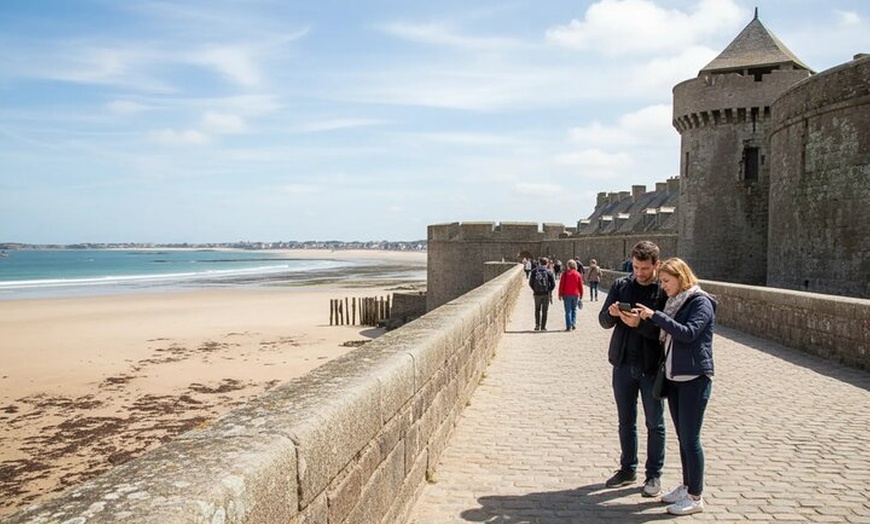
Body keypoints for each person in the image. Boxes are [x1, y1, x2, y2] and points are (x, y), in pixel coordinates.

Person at [635, 258, 716, 516]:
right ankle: (687, 485)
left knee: (691, 440)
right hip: (676, 377)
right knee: (683, 438)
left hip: (694, 379)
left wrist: (655, 316)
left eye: (667, 281)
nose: (664, 286)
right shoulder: (676, 303)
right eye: (662, 281)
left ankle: (695, 496)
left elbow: (688, 333)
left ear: (681, 278)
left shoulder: (701, 302)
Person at [599, 241, 667, 497]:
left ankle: (654, 475)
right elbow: (603, 321)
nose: (639, 273)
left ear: (656, 265)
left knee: (655, 423)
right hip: (623, 364)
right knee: (626, 421)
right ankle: (628, 469)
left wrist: (640, 323)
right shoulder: (621, 286)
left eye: (645, 268)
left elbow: (664, 330)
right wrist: (613, 314)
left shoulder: (662, 291)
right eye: (636, 267)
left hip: (651, 367)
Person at [529, 256, 556, 331]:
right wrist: (549, 290)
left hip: (537, 294)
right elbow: (553, 284)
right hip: (545, 293)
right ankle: (543, 327)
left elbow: (530, 283)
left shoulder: (534, 271)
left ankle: (537, 325)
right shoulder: (549, 272)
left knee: (537, 310)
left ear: (539, 263)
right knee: (545, 311)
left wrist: (534, 290)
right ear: (547, 263)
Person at [558, 259, 584, 331]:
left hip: (566, 294)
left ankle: (568, 326)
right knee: (574, 310)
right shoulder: (578, 274)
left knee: (568, 311)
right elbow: (580, 286)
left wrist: (560, 294)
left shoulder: (565, 274)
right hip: (575, 294)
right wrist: (581, 294)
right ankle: (573, 324)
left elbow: (561, 285)